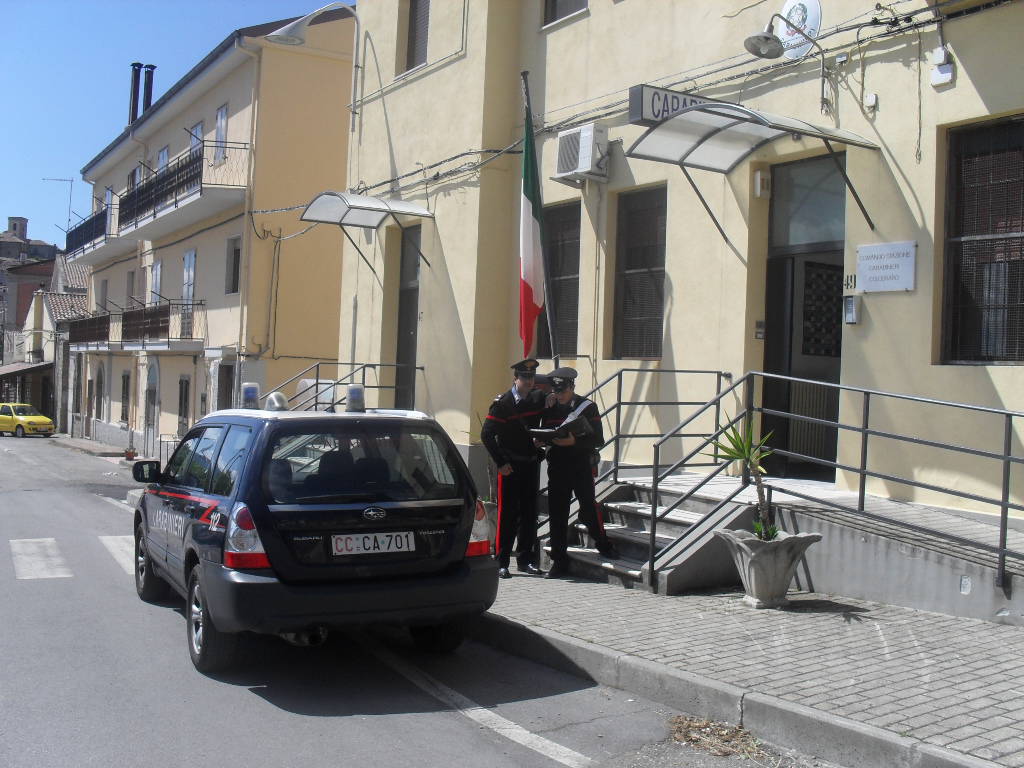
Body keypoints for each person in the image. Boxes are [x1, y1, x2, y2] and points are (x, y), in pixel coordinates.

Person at [539, 367, 619, 578]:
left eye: (563, 391)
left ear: (572, 387)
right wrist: (540, 439)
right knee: (558, 513)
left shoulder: (587, 408)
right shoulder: (550, 407)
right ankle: (559, 561)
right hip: (557, 467)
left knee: (588, 508)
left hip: (581, 465)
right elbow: (544, 429)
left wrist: (574, 441)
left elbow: (597, 439)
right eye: (556, 391)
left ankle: (603, 544)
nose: (559, 395)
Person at [480, 358, 547, 578]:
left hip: (529, 464)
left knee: (529, 514)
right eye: (525, 377)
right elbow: (487, 434)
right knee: (507, 515)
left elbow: (544, 421)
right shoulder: (503, 403)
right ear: (515, 379)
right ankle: (501, 561)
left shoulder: (537, 400)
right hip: (510, 467)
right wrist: (501, 463)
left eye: (532, 377)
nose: (529, 381)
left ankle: (525, 560)